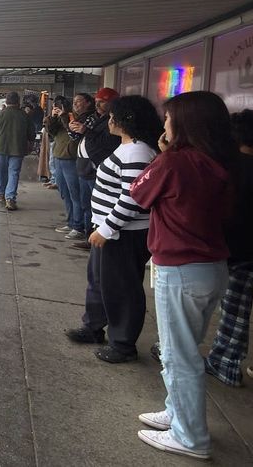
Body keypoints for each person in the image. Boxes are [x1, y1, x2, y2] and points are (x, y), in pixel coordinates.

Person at [129, 91, 236, 461]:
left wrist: (165, 154)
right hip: (211, 268)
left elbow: (138, 191)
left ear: (185, 124)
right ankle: (175, 412)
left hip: (180, 269)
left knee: (178, 356)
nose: (165, 124)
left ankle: (190, 437)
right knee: (185, 349)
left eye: (169, 118)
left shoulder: (174, 162)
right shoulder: (219, 162)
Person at [64, 96, 163, 363]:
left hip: (123, 233)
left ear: (125, 120)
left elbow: (132, 198)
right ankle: (93, 326)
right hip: (111, 229)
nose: (108, 120)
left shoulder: (138, 152)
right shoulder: (128, 147)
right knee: (99, 280)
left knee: (122, 287)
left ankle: (123, 343)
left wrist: (107, 229)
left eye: (112, 116)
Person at [202, 110, 253, 387]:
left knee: (197, 304)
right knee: (236, 309)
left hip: (218, 248)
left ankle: (181, 352)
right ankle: (228, 362)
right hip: (250, 251)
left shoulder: (224, 168)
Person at [69, 89, 120, 249]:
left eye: (102, 102)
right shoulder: (96, 118)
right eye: (96, 101)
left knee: (98, 206)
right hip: (85, 168)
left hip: (97, 168)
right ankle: (88, 236)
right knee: (87, 204)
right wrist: (74, 128)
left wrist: (86, 131)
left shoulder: (113, 121)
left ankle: (97, 237)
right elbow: (79, 137)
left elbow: (108, 142)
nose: (97, 105)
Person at [0, 91, 35, 211]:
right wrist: (30, 146)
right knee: (14, 173)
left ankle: (1, 193)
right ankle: (10, 198)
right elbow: (31, 134)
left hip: (1, 149)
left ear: (7, 101)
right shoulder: (24, 116)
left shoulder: (0, 115)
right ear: (18, 102)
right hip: (18, 149)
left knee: (2, 171)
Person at [45, 97, 82, 239]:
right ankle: (71, 221)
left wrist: (64, 116)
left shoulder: (74, 117)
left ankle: (78, 226)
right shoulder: (58, 119)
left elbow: (73, 133)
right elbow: (51, 132)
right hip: (58, 157)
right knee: (64, 192)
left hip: (71, 159)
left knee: (74, 193)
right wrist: (53, 118)